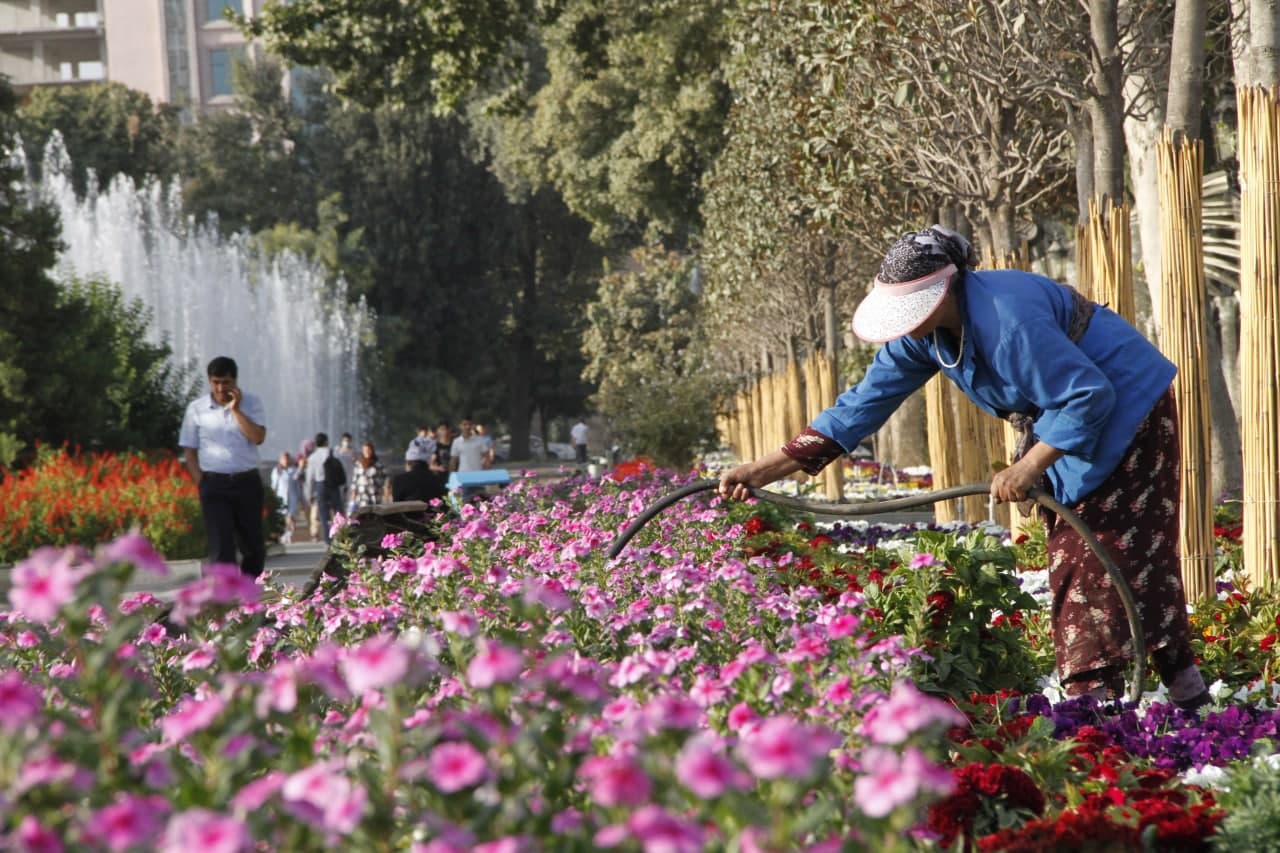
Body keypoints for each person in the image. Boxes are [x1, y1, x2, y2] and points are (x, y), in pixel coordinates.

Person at [718, 226, 1210, 712]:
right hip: (1071, 415)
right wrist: (764, 469)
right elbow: (860, 406)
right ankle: (1183, 690)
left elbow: (1089, 394)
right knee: (1113, 553)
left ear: (943, 293)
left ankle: (1096, 709)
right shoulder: (924, 337)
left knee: (1095, 555)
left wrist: (1030, 465)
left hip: (1128, 405)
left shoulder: (1006, 319)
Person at [178, 356, 268, 577]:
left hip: (246, 482)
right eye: (215, 382)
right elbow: (189, 450)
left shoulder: (252, 403)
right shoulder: (197, 408)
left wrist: (236, 410)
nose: (220, 388)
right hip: (214, 484)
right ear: (210, 381)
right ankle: (225, 604)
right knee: (221, 550)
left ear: (235, 381)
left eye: (226, 382)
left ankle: (249, 597)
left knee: (254, 547)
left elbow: (258, 437)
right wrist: (202, 482)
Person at [305, 432, 343, 544]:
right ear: (326, 441)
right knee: (338, 511)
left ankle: (328, 539)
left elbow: (309, 478)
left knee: (323, 513)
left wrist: (309, 494)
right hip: (334, 485)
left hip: (320, 485)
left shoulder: (312, 457)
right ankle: (342, 535)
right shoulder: (334, 453)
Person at [391, 437, 448, 504]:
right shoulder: (440, 481)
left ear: (409, 461)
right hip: (433, 514)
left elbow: (396, 509)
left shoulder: (399, 480)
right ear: (429, 461)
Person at [450, 416, 491, 502]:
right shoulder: (456, 441)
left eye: (469, 424)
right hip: (463, 477)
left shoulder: (479, 440)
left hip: (478, 476)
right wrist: (452, 478)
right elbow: (453, 461)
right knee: (466, 503)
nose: (467, 427)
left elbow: (486, 456)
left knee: (482, 503)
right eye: (465, 424)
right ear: (460, 426)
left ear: (472, 426)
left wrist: (487, 466)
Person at [270, 451, 302, 544]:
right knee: (285, 517)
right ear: (280, 460)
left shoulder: (293, 470)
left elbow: (297, 484)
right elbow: (274, 486)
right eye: (284, 459)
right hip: (281, 498)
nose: (286, 461)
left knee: (291, 517)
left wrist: (299, 497)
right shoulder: (277, 471)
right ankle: (286, 535)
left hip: (292, 497)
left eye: (287, 458)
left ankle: (290, 534)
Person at [350, 440, 387, 512]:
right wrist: (352, 501)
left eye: (368, 450)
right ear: (362, 451)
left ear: (372, 451)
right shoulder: (358, 464)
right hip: (362, 497)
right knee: (363, 516)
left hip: (375, 496)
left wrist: (385, 494)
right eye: (365, 450)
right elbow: (354, 483)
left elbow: (384, 480)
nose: (367, 452)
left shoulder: (378, 465)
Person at [335, 432, 358, 512]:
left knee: (350, 495)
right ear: (341, 440)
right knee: (340, 496)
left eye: (348, 440)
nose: (346, 442)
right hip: (340, 476)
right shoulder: (337, 450)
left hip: (350, 475)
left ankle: (349, 513)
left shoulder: (353, 451)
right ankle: (340, 514)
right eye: (344, 440)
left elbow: (356, 463)